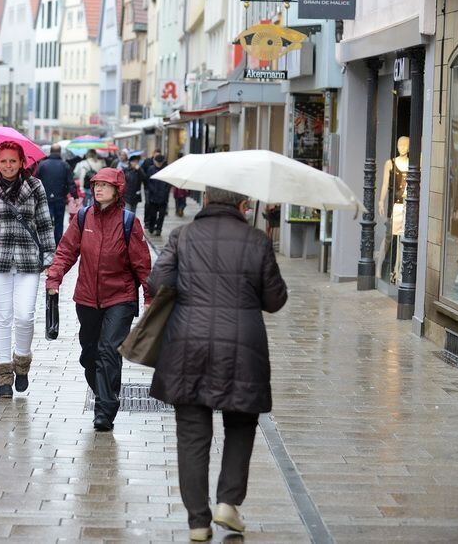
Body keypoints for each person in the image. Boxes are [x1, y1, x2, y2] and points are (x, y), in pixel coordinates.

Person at [147, 186, 288, 541]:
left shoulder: (182, 235)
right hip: (242, 346)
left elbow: (158, 281)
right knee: (241, 424)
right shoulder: (256, 240)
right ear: (243, 205)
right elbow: (275, 300)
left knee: (192, 434)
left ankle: (197, 521)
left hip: (187, 345)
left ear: (206, 202)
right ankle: (228, 502)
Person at [45, 168, 152, 431]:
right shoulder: (83, 218)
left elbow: (143, 264)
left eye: (105, 185)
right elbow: (66, 251)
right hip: (87, 298)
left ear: (117, 190)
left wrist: (150, 297)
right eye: (96, 185)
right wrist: (54, 279)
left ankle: (104, 409)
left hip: (121, 297)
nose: (99, 189)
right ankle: (107, 392)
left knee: (108, 351)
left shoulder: (128, 222)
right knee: (89, 354)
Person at [0, 141, 55, 398]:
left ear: (22, 163)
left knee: (25, 315)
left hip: (28, 259)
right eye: (3, 161)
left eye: (12, 161)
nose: (8, 166)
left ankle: (22, 362)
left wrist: (50, 259)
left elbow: (45, 223)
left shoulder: (35, 186)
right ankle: (4, 375)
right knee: (2, 317)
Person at [35, 144, 73, 245]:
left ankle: (44, 242)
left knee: (45, 221)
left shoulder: (42, 165)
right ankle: (57, 243)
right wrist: (74, 196)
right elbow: (70, 182)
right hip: (60, 198)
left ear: (50, 152)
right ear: (60, 152)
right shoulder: (65, 165)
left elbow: (35, 180)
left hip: (44, 198)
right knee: (59, 222)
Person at [142, 151, 171, 236]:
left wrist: (165, 192)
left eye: (160, 163)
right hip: (153, 197)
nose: (159, 164)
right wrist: (151, 190)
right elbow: (147, 181)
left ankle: (159, 229)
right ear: (154, 161)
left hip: (163, 197)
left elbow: (168, 184)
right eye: (157, 162)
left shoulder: (166, 170)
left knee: (161, 215)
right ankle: (151, 227)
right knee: (153, 214)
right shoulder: (151, 169)